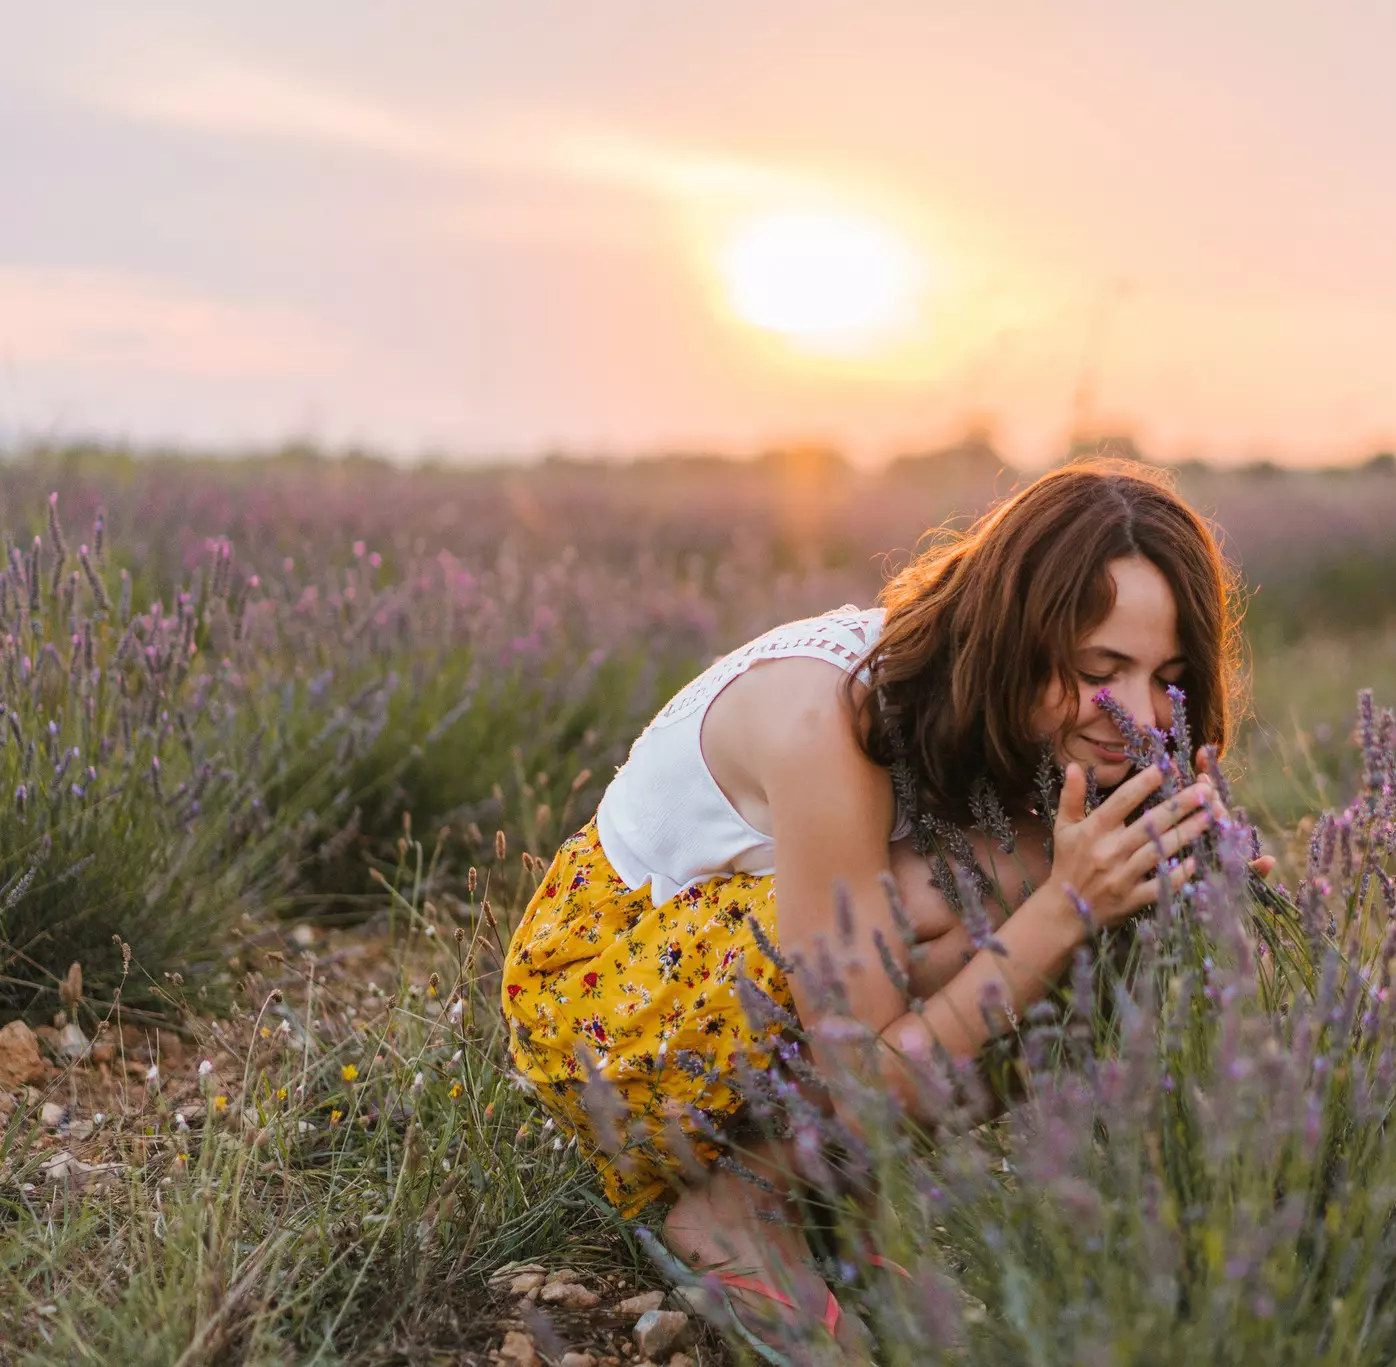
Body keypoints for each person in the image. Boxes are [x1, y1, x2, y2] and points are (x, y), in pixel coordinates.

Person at [501, 457, 1267, 1354]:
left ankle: (824, 1192)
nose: (1134, 710)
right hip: (605, 1006)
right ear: (1016, 633)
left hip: (740, 983)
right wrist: (1063, 906)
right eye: (1101, 668)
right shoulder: (830, 716)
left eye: (1165, 678)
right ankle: (740, 1207)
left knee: (1107, 886)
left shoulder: (1004, 711)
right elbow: (862, 1063)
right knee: (1021, 893)